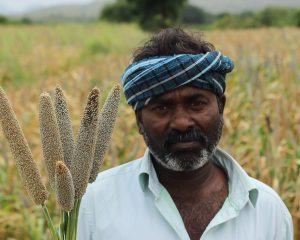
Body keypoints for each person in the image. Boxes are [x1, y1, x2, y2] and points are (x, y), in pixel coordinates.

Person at [77, 28, 293, 240]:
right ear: (139, 121)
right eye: (162, 107)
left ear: (221, 107)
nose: (181, 123)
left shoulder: (268, 211)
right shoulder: (93, 205)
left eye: (196, 104)